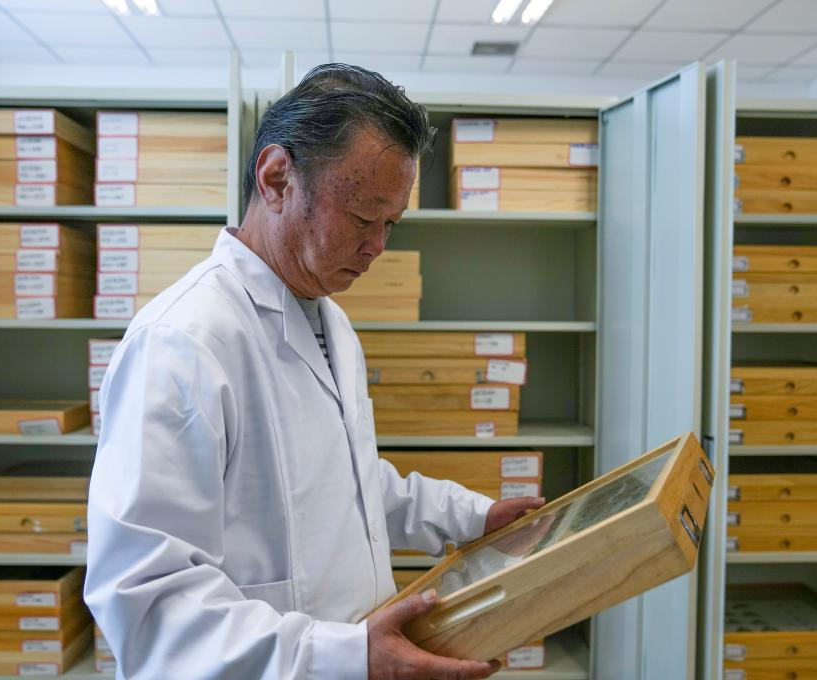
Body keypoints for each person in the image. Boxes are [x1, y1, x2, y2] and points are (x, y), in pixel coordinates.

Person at [84, 63, 544, 680]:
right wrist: (345, 655)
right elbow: (148, 603)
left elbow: (348, 482)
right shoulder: (182, 342)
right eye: (362, 218)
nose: (378, 248)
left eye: (391, 224)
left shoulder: (331, 323)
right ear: (277, 178)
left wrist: (472, 517)